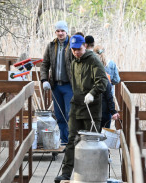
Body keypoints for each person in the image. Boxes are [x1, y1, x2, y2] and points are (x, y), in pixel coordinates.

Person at [54, 35, 108, 182]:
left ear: (84, 46)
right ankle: (66, 173)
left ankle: (91, 176)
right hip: (76, 106)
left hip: (92, 108)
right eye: (73, 49)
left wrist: (92, 93)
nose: (76, 52)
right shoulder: (73, 62)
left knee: (91, 143)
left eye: (78, 49)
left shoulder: (94, 60)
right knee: (71, 140)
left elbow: (103, 81)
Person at [40, 20, 74, 144]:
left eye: (62, 31)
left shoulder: (72, 44)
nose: (60, 33)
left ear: (66, 31)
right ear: (55, 32)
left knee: (69, 114)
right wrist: (44, 80)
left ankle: (72, 141)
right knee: (59, 115)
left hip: (69, 86)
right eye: (58, 31)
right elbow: (45, 64)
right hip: (55, 86)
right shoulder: (51, 46)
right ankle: (64, 140)